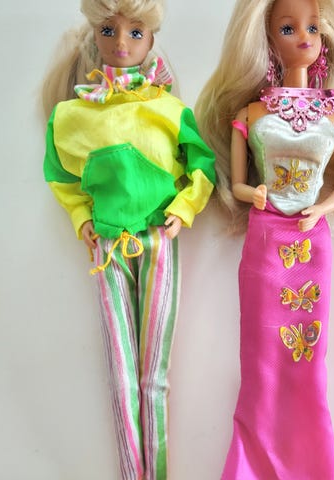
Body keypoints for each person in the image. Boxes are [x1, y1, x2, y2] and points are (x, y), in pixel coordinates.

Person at [195, 0, 334, 478]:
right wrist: (253, 192)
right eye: (288, 28)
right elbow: (238, 184)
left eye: (313, 28)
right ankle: (252, 461)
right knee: (261, 359)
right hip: (266, 238)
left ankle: (310, 463)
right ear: (266, 39)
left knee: (307, 361)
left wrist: (321, 208)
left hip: (311, 242)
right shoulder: (250, 113)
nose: (304, 37)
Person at [42, 1, 216, 479]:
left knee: (153, 374)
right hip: (107, 245)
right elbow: (60, 175)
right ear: (93, 34)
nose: (121, 42)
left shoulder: (170, 109)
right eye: (109, 30)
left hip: (159, 238)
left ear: (152, 39)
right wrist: (81, 216)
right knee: (120, 372)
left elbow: (202, 165)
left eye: (135, 32)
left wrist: (184, 208)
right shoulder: (72, 115)